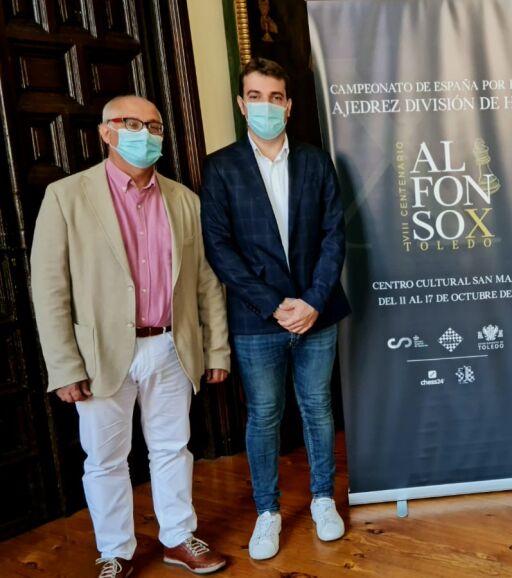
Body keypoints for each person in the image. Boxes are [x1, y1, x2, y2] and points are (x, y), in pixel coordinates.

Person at [31, 95, 231, 577]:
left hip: (172, 345)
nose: (146, 133)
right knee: (105, 459)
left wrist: (216, 349)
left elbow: (206, 281)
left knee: (172, 448)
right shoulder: (66, 196)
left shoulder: (184, 199)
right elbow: (50, 288)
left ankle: (178, 538)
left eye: (154, 126)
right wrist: (64, 367)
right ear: (106, 132)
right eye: (132, 123)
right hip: (100, 354)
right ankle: (115, 552)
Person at [200, 57, 350, 560]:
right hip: (256, 317)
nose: (266, 105)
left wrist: (313, 300)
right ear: (242, 105)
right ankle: (268, 511)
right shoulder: (220, 167)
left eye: (275, 97)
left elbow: (334, 235)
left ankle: (323, 499)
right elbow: (219, 247)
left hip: (316, 313)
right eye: (256, 96)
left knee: (317, 407)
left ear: (289, 107)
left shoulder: (316, 161)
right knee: (264, 415)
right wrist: (273, 304)